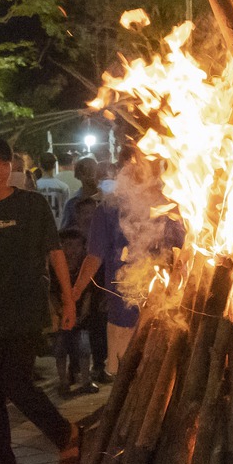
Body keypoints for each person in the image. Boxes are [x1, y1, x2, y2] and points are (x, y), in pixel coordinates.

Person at [0, 136, 80, 464]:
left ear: (12, 165)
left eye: (3, 162)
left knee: (16, 382)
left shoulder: (32, 205)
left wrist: (68, 300)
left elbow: (56, 253)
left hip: (27, 308)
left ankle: (65, 433)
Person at [71, 152, 183, 378]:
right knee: (126, 374)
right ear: (124, 170)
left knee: (161, 375)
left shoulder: (173, 207)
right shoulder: (109, 208)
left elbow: (185, 254)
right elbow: (94, 257)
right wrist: (73, 295)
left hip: (167, 308)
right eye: (134, 166)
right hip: (123, 306)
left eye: (148, 166)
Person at [53, 226, 99, 394]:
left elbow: (88, 293)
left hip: (81, 318)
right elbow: (52, 292)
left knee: (84, 349)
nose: (72, 250)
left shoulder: (84, 267)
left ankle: (86, 380)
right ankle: (63, 381)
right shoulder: (56, 267)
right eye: (67, 245)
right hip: (61, 317)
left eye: (76, 246)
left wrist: (83, 313)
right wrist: (59, 311)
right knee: (60, 350)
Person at [34, 154, 70, 221]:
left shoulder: (35, 187)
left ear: (39, 165)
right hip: (58, 226)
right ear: (54, 165)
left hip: (40, 226)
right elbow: (66, 210)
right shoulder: (63, 187)